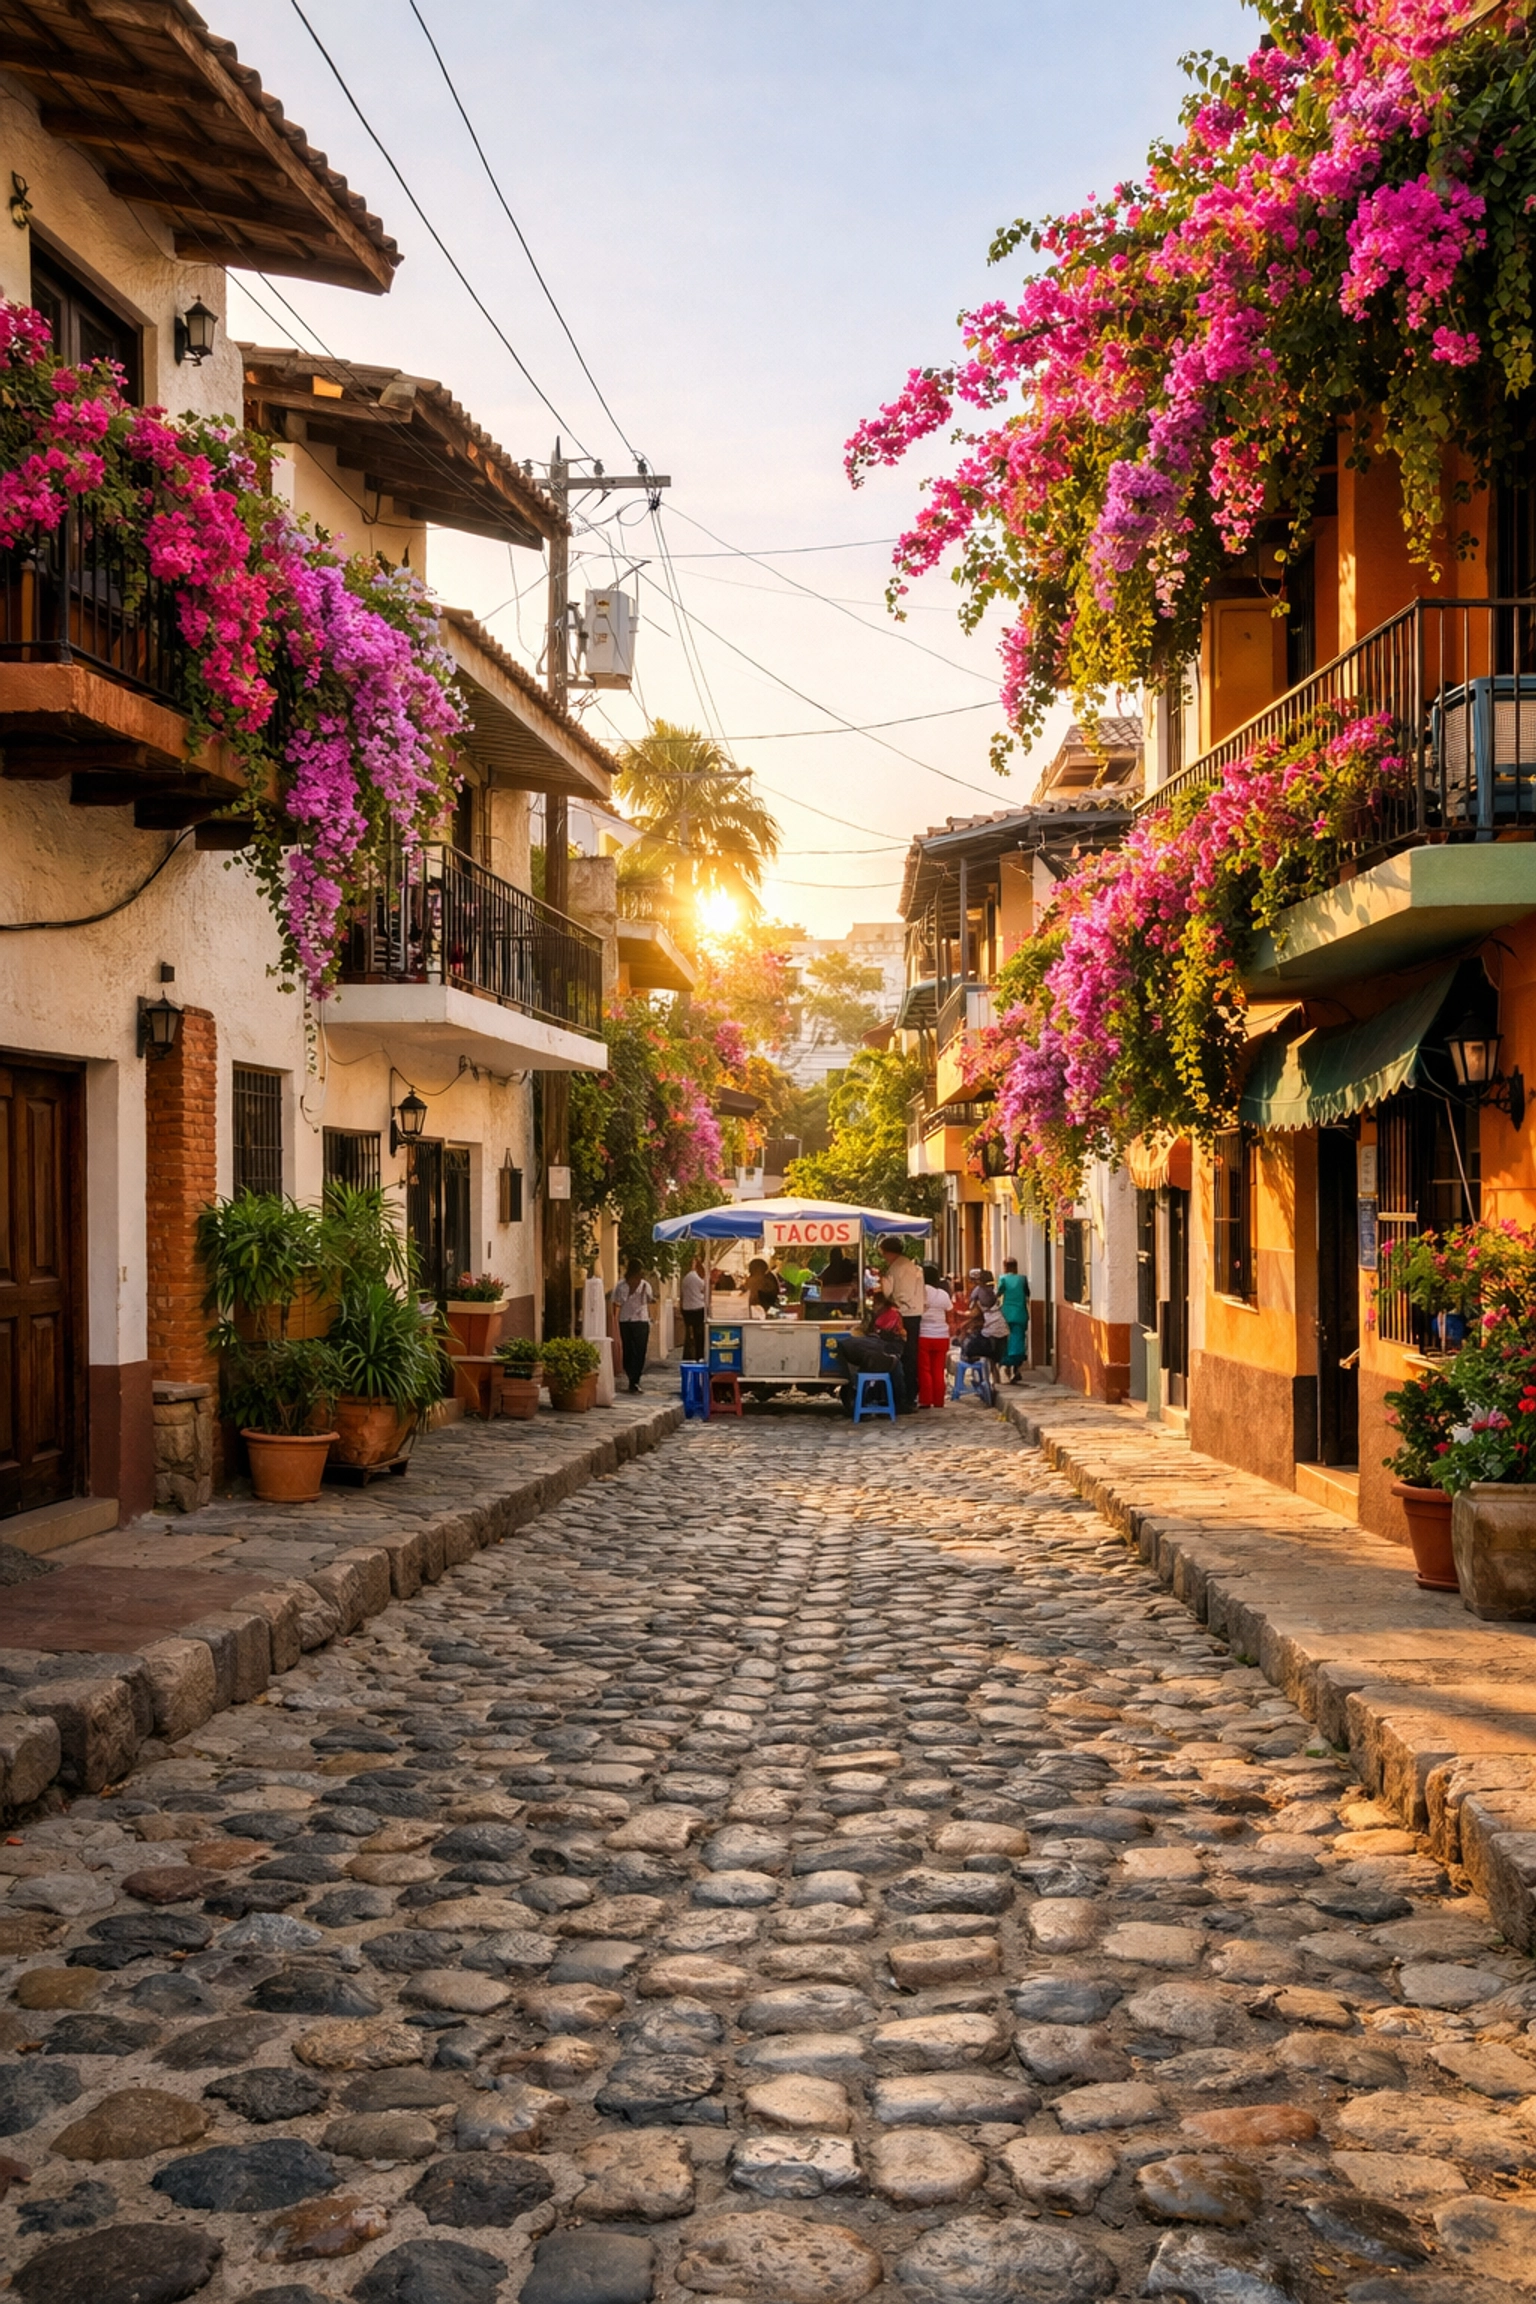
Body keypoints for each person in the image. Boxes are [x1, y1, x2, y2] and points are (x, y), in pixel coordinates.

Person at [834, 1304, 907, 1416]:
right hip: (876, 1358)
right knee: (893, 1374)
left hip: (860, 1355)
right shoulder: (887, 1340)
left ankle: (866, 1404)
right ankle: (892, 1404)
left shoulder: (873, 1338)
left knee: (860, 1379)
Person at [880, 1234, 925, 1414]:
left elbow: (893, 1294)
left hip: (904, 1314)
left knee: (902, 1354)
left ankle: (904, 1395)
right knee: (910, 1354)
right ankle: (910, 1394)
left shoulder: (897, 1268)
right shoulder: (912, 1266)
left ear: (888, 1253)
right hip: (915, 1313)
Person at [611, 1260, 654, 1393]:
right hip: (625, 1320)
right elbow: (615, 1302)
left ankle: (634, 1380)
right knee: (628, 1350)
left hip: (641, 1320)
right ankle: (630, 1375)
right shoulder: (621, 1286)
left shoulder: (645, 1286)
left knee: (640, 1351)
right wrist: (614, 1318)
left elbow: (651, 1300)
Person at [917, 1262, 952, 1409]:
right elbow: (950, 1314)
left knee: (924, 1370)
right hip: (942, 1336)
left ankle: (925, 1400)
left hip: (924, 1335)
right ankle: (939, 1401)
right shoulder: (943, 1294)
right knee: (938, 1370)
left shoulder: (919, 1292)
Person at [998, 1256, 1030, 1383]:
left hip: (1006, 1314)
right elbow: (1027, 1293)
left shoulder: (1003, 1279)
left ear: (1005, 1267)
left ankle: (1006, 1365)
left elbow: (998, 1293)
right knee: (1018, 1340)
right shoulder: (1022, 1279)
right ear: (1016, 1267)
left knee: (1006, 1339)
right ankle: (1015, 1369)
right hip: (1020, 1313)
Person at [680, 1252, 707, 1363]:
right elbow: (704, 1289)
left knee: (690, 1335)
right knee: (699, 1334)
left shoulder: (685, 1278)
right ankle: (699, 1355)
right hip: (698, 1308)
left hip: (687, 1309)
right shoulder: (696, 1278)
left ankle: (690, 1355)